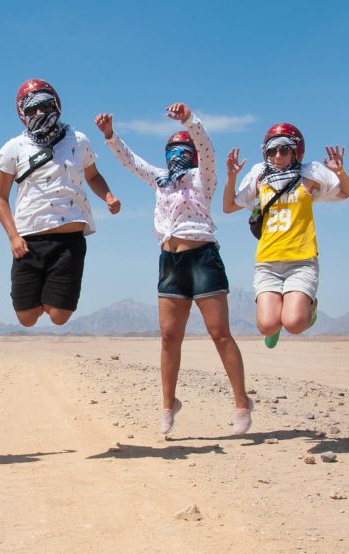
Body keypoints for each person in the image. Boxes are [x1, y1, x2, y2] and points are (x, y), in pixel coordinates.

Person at [95, 103, 252, 436]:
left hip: (203, 257)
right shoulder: (161, 181)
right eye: (172, 151)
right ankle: (168, 405)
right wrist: (110, 136)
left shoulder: (202, 178)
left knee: (219, 333)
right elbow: (132, 162)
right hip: (170, 261)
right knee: (169, 337)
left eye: (183, 150)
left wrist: (190, 122)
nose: (177, 156)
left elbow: (208, 151)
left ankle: (241, 403)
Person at [0, 78, 121, 327]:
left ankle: (53, 294)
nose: (40, 113)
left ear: (57, 106)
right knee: (27, 318)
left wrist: (108, 196)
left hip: (69, 241)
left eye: (45, 106)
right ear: (22, 113)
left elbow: (93, 175)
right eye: (32, 109)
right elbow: (0, 197)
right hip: (28, 240)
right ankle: (40, 291)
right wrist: (12, 237)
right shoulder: (13, 148)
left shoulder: (78, 140)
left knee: (59, 316)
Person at [223, 123, 349, 348]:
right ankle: (274, 327)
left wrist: (340, 172)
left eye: (284, 150)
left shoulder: (310, 174)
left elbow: (346, 192)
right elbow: (228, 206)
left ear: (296, 151)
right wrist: (232, 177)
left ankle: (308, 312)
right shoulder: (260, 176)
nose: (278, 156)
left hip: (301, 261)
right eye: (272, 151)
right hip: (268, 262)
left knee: (294, 323)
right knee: (267, 325)